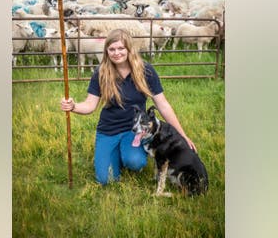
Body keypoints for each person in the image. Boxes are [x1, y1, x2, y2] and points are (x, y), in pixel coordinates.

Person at [60, 28, 196, 185]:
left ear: (129, 49)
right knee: (106, 180)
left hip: (135, 130)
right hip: (108, 130)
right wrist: (73, 106)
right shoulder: (101, 72)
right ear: (106, 51)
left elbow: (163, 105)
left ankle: (128, 153)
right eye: (111, 49)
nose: (116, 53)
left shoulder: (145, 71)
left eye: (120, 48)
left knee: (135, 162)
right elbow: (90, 105)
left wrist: (182, 135)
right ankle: (112, 153)